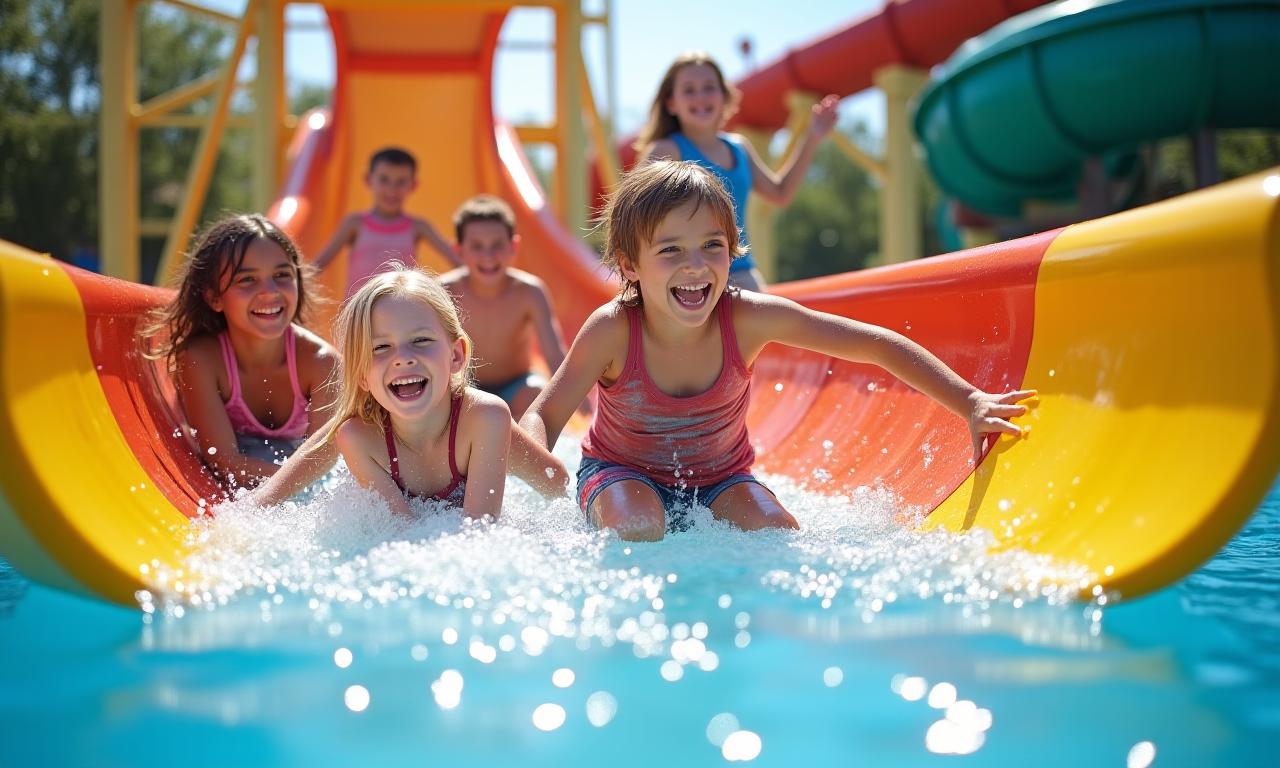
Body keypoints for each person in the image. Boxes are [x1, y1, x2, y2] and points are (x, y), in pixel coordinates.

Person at [519, 162, 1035, 541]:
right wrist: (535, 469)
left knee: (776, 533)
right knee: (637, 524)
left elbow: (873, 345)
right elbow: (547, 411)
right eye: (670, 250)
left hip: (719, 479)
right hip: (619, 473)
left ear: (732, 249)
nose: (695, 266)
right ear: (630, 265)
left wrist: (970, 402)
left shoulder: (747, 318)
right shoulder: (613, 330)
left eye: (712, 246)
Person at [144, 213, 337, 489]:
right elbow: (224, 461)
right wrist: (295, 488)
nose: (270, 291)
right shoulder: (202, 360)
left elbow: (322, 462)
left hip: (303, 479)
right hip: (275, 479)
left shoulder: (322, 363)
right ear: (214, 297)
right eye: (247, 280)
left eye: (282, 275)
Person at [635, 52, 840, 292]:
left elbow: (780, 193)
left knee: (768, 319)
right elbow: (635, 213)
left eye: (709, 87)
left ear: (724, 96)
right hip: (686, 272)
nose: (700, 96)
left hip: (739, 270)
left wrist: (812, 137)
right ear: (671, 103)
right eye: (689, 90)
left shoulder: (739, 147)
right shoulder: (666, 149)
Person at [440, 195, 570, 418]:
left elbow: (554, 354)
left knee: (536, 393)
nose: (488, 255)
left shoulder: (529, 292)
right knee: (440, 398)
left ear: (513, 246)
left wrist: (576, 402)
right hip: (463, 387)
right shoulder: (444, 291)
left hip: (516, 386)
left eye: (497, 245)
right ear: (459, 250)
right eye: (477, 246)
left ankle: (520, 449)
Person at [312, 147, 458, 298]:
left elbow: (458, 263)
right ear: (368, 180)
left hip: (400, 311)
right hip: (359, 312)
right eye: (384, 180)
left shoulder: (418, 227)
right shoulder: (355, 224)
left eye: (401, 182)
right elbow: (317, 266)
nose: (391, 189)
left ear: (413, 185)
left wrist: (430, 290)